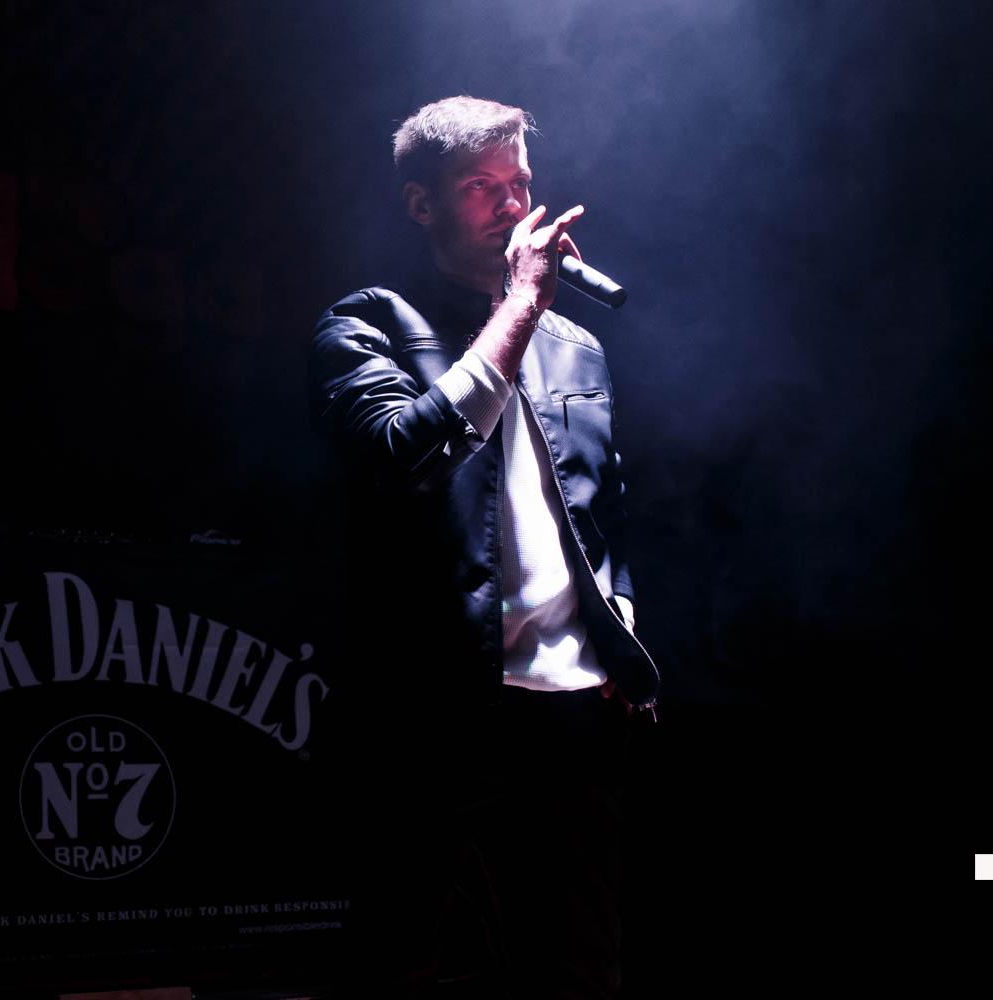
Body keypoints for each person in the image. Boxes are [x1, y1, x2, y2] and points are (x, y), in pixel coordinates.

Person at [307, 96, 660, 999]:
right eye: (481, 186)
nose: (513, 205)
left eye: (521, 184)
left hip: (574, 713)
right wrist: (520, 308)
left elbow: (603, 508)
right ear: (422, 203)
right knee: (421, 963)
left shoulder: (576, 347)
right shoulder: (367, 323)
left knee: (579, 967)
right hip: (437, 715)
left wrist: (616, 625)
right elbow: (401, 457)